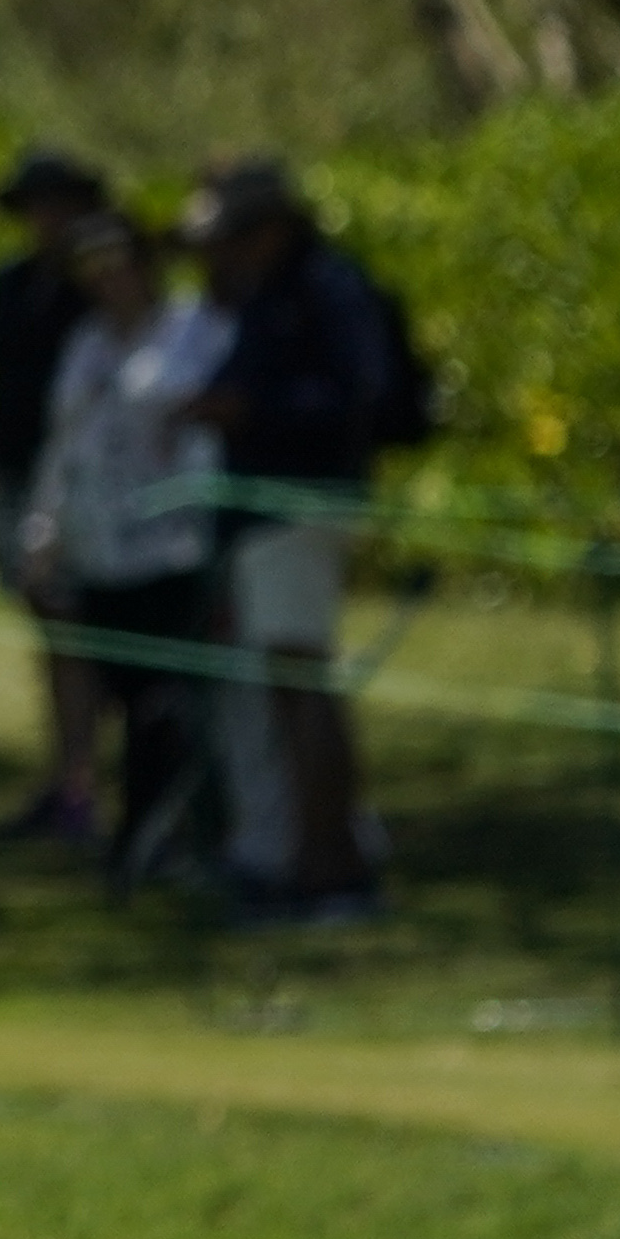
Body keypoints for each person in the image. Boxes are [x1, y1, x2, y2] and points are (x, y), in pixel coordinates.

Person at [181, 157, 409, 923]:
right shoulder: (268, 291)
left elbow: (355, 395)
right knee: (288, 683)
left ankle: (330, 868)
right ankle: (303, 855)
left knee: (302, 680)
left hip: (299, 506)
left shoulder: (326, 289)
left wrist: (252, 411)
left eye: (233, 239)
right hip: (262, 510)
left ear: (271, 230)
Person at [16, 210, 230, 885]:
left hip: (174, 547)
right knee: (121, 694)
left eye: (118, 260)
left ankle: (171, 836)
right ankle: (141, 836)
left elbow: (210, 434)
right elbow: (64, 446)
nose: (108, 276)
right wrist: (41, 533)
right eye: (92, 266)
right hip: (99, 549)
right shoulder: (87, 344)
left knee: (168, 702)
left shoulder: (194, 330)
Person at [0, 144, 111, 846]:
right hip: (18, 471)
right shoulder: (12, 284)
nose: (48, 218)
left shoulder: (97, 290)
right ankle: (69, 778)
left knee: (76, 624)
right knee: (50, 623)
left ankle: (84, 782)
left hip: (78, 481)